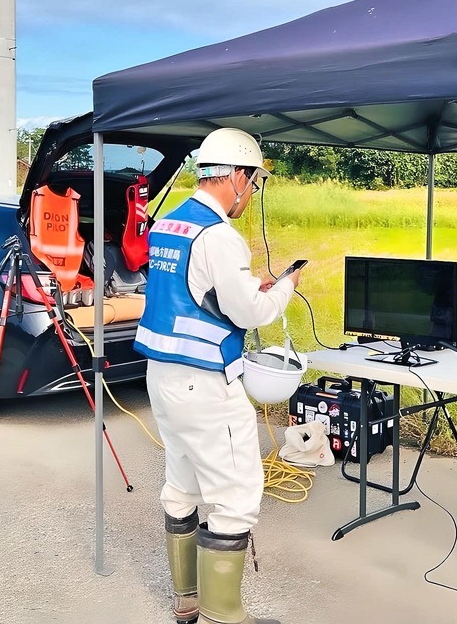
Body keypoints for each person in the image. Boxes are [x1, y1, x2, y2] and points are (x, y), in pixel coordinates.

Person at [134, 127, 299, 624]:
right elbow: (249, 313)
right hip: (205, 383)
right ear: (237, 177)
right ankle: (224, 616)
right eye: (254, 181)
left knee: (182, 485)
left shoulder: (168, 224)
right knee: (235, 496)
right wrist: (284, 287)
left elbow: (193, 290)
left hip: (161, 378)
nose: (253, 191)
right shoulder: (221, 236)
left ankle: (187, 601)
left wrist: (249, 285)